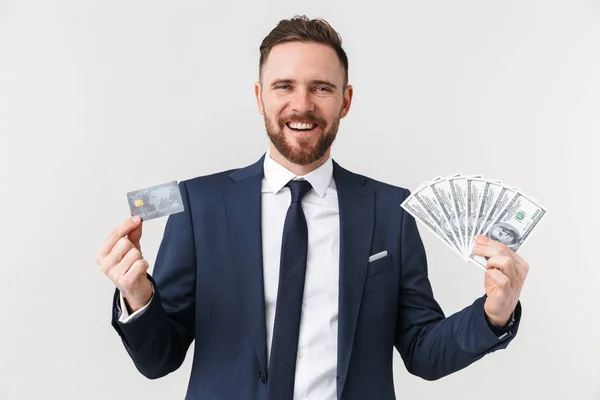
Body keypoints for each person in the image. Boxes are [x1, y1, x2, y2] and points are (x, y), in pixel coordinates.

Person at [96, 15, 529, 400]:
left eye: (321, 88)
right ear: (259, 96)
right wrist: (138, 296)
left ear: (345, 100)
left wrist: (494, 313)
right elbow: (159, 360)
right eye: (284, 86)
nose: (302, 105)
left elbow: (422, 350)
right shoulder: (198, 205)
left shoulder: (391, 210)